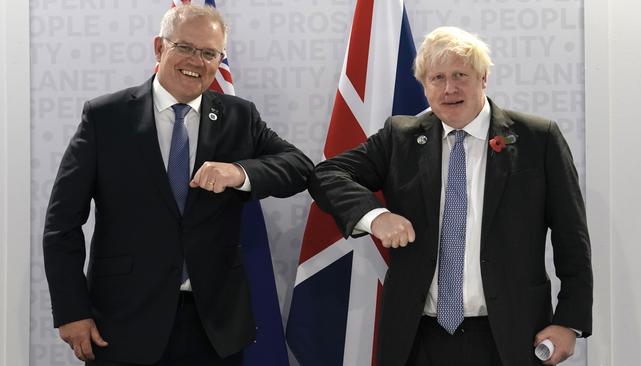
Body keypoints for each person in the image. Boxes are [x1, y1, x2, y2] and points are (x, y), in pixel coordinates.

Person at [42, 4, 313, 366]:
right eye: (185, 47)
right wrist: (71, 310)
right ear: (159, 48)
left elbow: (299, 167)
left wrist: (239, 172)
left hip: (215, 328)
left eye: (209, 53)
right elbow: (62, 224)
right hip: (122, 322)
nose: (196, 61)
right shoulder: (105, 117)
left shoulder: (239, 116)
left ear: (219, 60)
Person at [308, 26, 592, 366]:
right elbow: (326, 175)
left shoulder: (537, 138)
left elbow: (571, 238)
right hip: (417, 338)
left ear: (483, 78)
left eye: (460, 75)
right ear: (424, 86)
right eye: (436, 77)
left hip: (510, 335)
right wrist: (375, 217)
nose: (449, 89)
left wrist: (569, 322)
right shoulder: (401, 137)